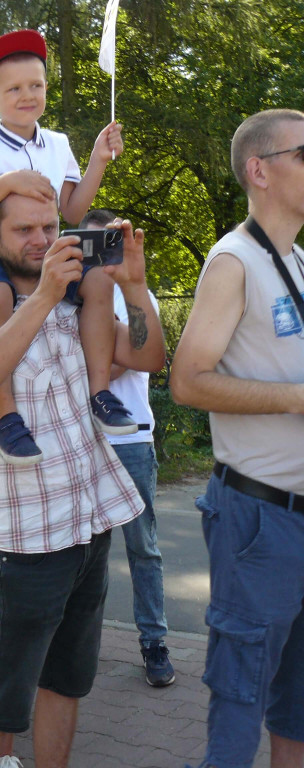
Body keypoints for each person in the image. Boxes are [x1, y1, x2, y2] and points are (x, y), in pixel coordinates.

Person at [0, 193, 164, 767]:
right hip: (26, 544)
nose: (40, 239)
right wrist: (39, 298)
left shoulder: (77, 304)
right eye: (24, 230)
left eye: (49, 226)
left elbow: (148, 357)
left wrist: (132, 286)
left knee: (65, 683)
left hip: (90, 528)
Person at [170, 108, 304, 768]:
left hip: (293, 519)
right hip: (260, 520)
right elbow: (188, 381)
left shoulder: (296, 260)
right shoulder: (234, 260)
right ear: (261, 170)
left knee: (297, 714)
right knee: (238, 712)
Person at [0, 29, 129, 465]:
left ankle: (100, 391)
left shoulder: (59, 144)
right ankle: (2, 412)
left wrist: (97, 162)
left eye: (36, 85)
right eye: (14, 89)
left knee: (98, 278)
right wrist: (7, 183)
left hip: (41, 253)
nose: (27, 95)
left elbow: (71, 209)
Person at [82, 209, 173, 687]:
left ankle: (154, 643)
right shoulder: (67, 295)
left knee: (143, 547)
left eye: (107, 242)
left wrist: (95, 364)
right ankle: (79, 647)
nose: (99, 252)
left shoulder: (136, 293)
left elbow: (138, 359)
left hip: (131, 437)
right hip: (82, 439)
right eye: (90, 243)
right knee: (82, 552)